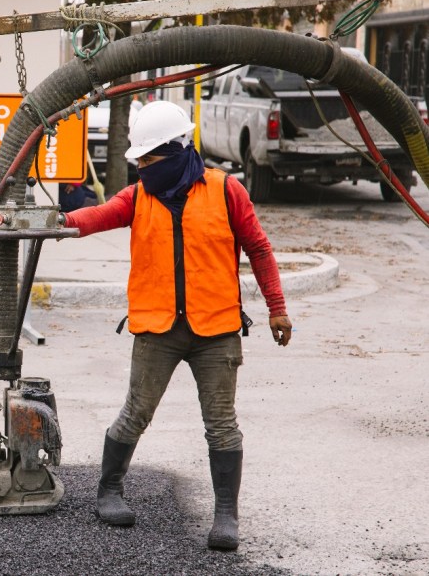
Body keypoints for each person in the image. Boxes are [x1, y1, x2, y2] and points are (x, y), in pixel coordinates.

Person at [60, 100, 292, 550]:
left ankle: (226, 514)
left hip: (216, 329)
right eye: (140, 160)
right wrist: (59, 222)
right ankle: (109, 491)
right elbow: (97, 216)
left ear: (178, 148)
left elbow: (259, 249)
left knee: (222, 424)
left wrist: (276, 307)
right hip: (157, 328)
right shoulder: (139, 196)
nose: (143, 167)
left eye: (149, 158)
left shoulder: (227, 192)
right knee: (135, 414)